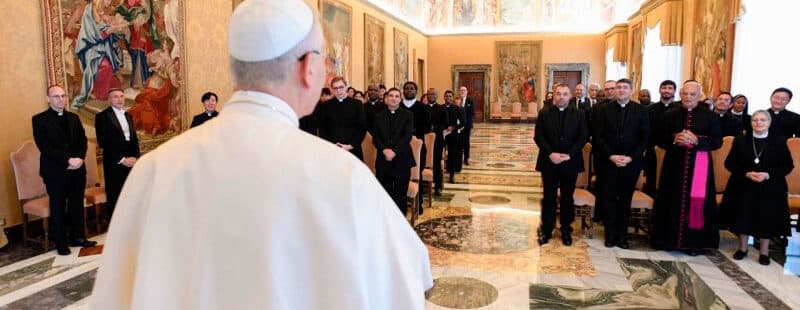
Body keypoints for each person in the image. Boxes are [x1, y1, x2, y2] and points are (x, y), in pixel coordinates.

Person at [91, 1, 433, 308]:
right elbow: (411, 278)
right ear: (307, 69)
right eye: (324, 58)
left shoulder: (153, 171)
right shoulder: (343, 177)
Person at [651, 81, 722, 254]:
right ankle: (668, 240)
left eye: (692, 94)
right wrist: (675, 140)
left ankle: (694, 244)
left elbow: (717, 141)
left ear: (699, 96)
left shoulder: (710, 116)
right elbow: (659, 138)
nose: (688, 97)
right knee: (671, 199)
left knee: (696, 202)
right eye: (685, 94)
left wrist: (697, 140)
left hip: (700, 166)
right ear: (680, 94)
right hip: (674, 165)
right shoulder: (670, 114)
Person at [721, 110, 793, 265]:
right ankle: (742, 248)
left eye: (763, 120)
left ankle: (764, 252)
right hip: (743, 184)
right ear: (751, 122)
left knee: (767, 218)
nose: (759, 123)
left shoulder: (779, 141)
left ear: (769, 123)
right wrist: (746, 173)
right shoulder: (740, 140)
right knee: (742, 215)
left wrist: (767, 175)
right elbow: (730, 163)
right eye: (755, 120)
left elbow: (787, 166)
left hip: (771, 186)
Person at [32, 85, 97, 255]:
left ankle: (78, 237)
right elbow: (44, 147)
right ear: (48, 99)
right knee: (58, 206)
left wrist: (80, 159)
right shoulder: (39, 120)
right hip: (55, 172)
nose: (60, 99)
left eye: (63, 95)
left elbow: (83, 141)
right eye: (56, 96)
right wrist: (67, 160)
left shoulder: (74, 118)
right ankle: (61, 243)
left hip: (77, 169)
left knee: (76, 204)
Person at [594, 78, 649, 249]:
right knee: (609, 199)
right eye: (618, 88)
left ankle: (623, 236)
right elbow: (598, 136)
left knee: (625, 201)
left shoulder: (641, 110)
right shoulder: (604, 110)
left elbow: (644, 138)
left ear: (631, 91)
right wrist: (611, 156)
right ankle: (610, 235)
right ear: (614, 91)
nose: (621, 90)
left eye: (625, 87)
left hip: (631, 164)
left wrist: (630, 157)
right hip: (608, 163)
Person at [534, 84, 588, 246]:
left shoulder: (579, 114)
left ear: (570, 96)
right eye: (558, 94)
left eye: (565, 94)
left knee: (567, 197)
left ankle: (566, 229)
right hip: (549, 161)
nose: (561, 97)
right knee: (549, 197)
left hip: (570, 162)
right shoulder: (544, 113)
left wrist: (568, 154)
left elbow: (583, 136)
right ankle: (547, 229)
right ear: (554, 96)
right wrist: (551, 153)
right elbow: (539, 136)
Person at [94, 88, 140, 219]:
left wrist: (135, 157)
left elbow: (134, 139)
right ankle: (117, 224)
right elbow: (103, 142)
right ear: (109, 100)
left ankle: (131, 221)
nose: (120, 99)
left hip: (131, 161)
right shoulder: (102, 117)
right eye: (115, 97)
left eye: (121, 96)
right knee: (116, 194)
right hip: (115, 162)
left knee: (131, 193)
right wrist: (121, 159)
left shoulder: (128, 115)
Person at [373, 88, 415, 215]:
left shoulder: (408, 115)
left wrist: (394, 152)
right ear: (386, 99)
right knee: (384, 194)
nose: (393, 98)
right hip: (383, 160)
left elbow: (407, 137)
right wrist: (385, 150)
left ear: (400, 99)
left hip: (402, 159)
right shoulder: (378, 116)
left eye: (397, 96)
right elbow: (375, 137)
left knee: (400, 195)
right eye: (390, 96)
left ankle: (401, 224)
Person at [317, 77, 368, 160]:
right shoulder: (326, 105)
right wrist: (333, 144)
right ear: (332, 89)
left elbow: (362, 128)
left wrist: (351, 145)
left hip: (353, 149)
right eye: (335, 88)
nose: (338, 91)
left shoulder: (357, 104)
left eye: (341, 87)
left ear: (346, 87)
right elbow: (322, 128)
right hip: (332, 149)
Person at [643, 80, 678, 196]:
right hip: (652, 151)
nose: (666, 90)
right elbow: (645, 130)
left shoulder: (680, 110)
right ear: (659, 90)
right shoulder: (649, 109)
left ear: (674, 91)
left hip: (673, 152)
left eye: (670, 88)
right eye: (664, 88)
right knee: (651, 181)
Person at [401, 81, 432, 209]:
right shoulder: (398, 106)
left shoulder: (423, 108)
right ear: (403, 91)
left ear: (416, 91)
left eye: (411, 89)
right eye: (406, 88)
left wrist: (412, 132)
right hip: (401, 146)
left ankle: (418, 204)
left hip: (418, 146)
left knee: (417, 174)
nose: (409, 90)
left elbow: (427, 127)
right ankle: (402, 202)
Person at [427, 88, 449, 196]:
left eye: (433, 94)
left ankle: (438, 187)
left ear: (437, 96)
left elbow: (445, 124)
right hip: (424, 141)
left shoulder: (441, 109)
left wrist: (434, 128)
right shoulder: (423, 108)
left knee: (436, 164)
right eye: (429, 94)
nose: (431, 96)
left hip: (437, 140)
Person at [444, 90, 465, 183]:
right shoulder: (440, 107)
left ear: (452, 98)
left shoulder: (457, 108)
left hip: (453, 135)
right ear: (444, 97)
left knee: (452, 155)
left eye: (450, 96)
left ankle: (452, 175)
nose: (448, 98)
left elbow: (462, 122)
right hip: (443, 134)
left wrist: (453, 128)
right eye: (447, 96)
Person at [458, 86, 475, 165]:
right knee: (459, 142)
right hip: (458, 126)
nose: (462, 92)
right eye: (461, 90)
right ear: (459, 92)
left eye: (464, 90)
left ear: (466, 92)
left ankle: (466, 158)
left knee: (466, 142)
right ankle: (458, 158)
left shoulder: (470, 101)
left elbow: (471, 114)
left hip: (467, 126)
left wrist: (468, 125)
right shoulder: (457, 100)